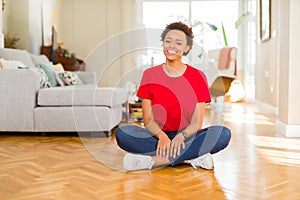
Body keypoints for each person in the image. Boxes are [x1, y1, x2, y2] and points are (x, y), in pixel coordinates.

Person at [116, 21, 231, 171]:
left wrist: (180, 137)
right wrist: (163, 137)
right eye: (168, 41)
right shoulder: (149, 75)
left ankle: (154, 161)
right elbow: (148, 120)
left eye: (178, 43)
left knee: (222, 134)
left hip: (187, 137)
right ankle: (191, 157)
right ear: (163, 44)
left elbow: (197, 123)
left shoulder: (198, 77)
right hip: (157, 137)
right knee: (123, 134)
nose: (171, 46)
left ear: (187, 48)